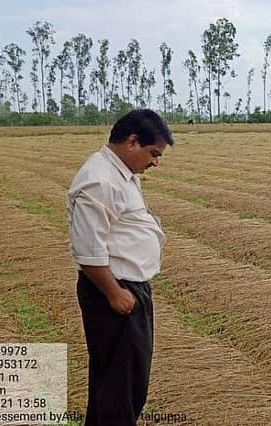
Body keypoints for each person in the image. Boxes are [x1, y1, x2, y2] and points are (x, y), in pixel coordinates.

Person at [67, 109, 173, 425]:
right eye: (153, 153)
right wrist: (115, 294)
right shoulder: (99, 180)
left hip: (126, 289)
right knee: (121, 387)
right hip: (115, 292)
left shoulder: (120, 172)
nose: (155, 162)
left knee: (120, 383)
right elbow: (88, 251)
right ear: (132, 142)